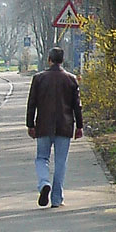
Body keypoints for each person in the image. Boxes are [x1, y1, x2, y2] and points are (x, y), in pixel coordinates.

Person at [27, 47, 84, 208]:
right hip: (64, 126)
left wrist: (30, 125)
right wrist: (79, 126)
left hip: (43, 126)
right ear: (62, 61)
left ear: (49, 60)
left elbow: (32, 104)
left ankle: (44, 183)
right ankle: (57, 199)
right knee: (61, 162)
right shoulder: (71, 79)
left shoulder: (38, 78)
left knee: (41, 158)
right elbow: (77, 106)